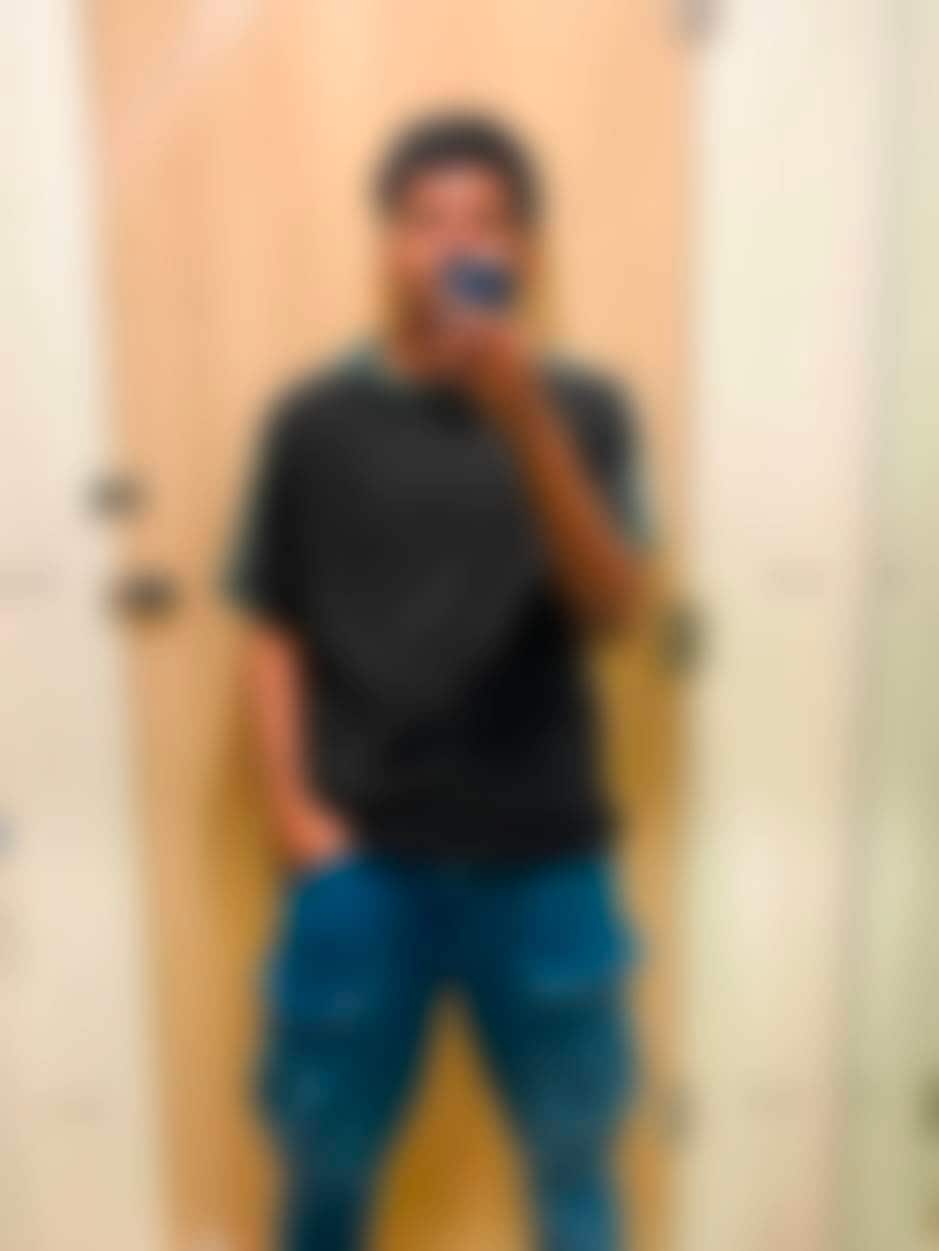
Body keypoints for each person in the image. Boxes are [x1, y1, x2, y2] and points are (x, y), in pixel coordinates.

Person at [226, 112, 654, 1251]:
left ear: (526, 250)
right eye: (426, 220)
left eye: (486, 221)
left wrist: (524, 420)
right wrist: (293, 812)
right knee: (324, 1169)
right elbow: (274, 626)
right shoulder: (313, 422)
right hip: (363, 862)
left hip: (546, 856)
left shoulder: (588, 409)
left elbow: (614, 606)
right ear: (389, 246)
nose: (456, 241)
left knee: (575, 1169)